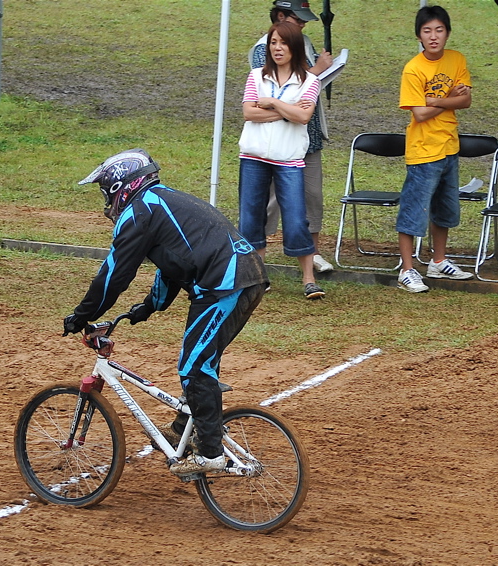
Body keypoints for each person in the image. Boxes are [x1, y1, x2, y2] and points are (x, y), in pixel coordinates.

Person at [62, 149, 269, 475]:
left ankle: (211, 453)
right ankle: (184, 428)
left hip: (224, 284)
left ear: (120, 186)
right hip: (242, 277)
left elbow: (113, 275)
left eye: (106, 192)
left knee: (193, 365)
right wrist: (147, 307)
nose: (106, 201)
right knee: (202, 361)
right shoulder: (161, 201)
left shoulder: (138, 214)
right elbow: (173, 264)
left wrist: (83, 314)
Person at [238, 20, 325, 300]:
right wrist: (288, 111)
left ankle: (309, 279)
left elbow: (304, 117)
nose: (277, 48)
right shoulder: (255, 76)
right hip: (253, 156)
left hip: (289, 158)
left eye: (283, 43)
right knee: (251, 216)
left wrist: (274, 103)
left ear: (295, 47)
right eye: (273, 43)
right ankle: (258, 276)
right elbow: (249, 113)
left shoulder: (311, 81)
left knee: (297, 218)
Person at [249, 0, 334, 275]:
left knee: (311, 196)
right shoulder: (263, 48)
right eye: (297, 19)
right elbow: (272, 94)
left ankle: (313, 253)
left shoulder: (305, 41)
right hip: (273, 142)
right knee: (267, 200)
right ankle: (255, 257)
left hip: (306, 136)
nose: (302, 24)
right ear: (280, 16)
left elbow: (301, 94)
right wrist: (318, 71)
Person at [395, 5, 475, 294]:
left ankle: (438, 261)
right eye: (427, 31)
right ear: (419, 35)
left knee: (445, 210)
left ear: (448, 33)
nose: (433, 36)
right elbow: (419, 114)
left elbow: (465, 101)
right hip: (422, 150)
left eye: (439, 30)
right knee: (413, 211)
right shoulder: (414, 69)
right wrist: (447, 97)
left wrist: (434, 99)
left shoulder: (457, 60)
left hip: (449, 146)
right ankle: (406, 269)